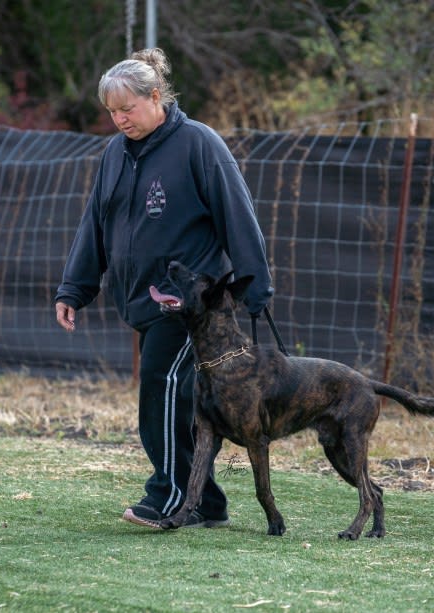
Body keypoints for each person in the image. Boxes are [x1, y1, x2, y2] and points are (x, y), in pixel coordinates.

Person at [55, 48, 273, 529]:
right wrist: (74, 288)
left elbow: (238, 215)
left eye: (127, 109)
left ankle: (173, 496)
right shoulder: (115, 153)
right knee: (167, 393)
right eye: (111, 112)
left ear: (156, 97)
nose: (119, 120)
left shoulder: (199, 144)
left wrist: (255, 288)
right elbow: (95, 224)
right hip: (140, 301)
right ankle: (207, 502)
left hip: (188, 306)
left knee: (164, 387)